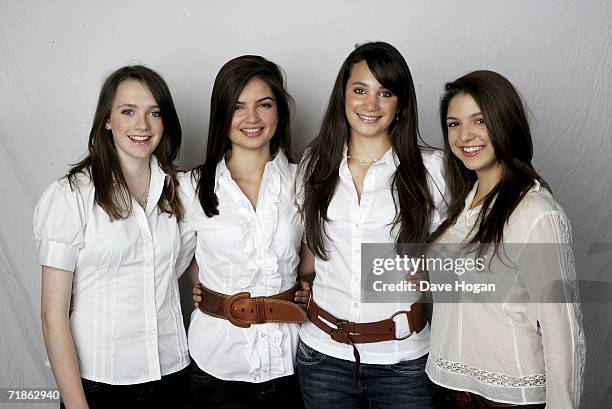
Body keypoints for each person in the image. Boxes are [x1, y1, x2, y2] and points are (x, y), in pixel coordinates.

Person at [296, 41, 447, 409]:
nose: (370, 104)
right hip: (322, 359)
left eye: (385, 93)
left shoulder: (434, 172)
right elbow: (309, 255)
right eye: (360, 90)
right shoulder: (313, 164)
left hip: (404, 362)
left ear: (401, 104)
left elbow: (464, 254)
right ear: (343, 95)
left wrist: (434, 270)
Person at [425, 70, 585, 408]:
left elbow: (562, 330)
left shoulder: (535, 211)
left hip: (506, 399)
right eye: (454, 124)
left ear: (505, 121)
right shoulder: (461, 207)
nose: (464, 135)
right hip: (448, 389)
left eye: (478, 120)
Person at [33, 66, 189, 409]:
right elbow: (52, 316)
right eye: (128, 111)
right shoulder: (70, 196)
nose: (142, 125)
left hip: (173, 373)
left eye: (154, 112)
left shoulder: (180, 192)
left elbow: (183, 269)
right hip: (100, 383)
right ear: (107, 120)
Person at [177, 55, 306, 409]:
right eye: (238, 107)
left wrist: (311, 288)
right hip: (218, 364)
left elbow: (322, 255)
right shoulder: (189, 187)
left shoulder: (304, 180)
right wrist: (205, 284)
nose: (252, 119)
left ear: (278, 112)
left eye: (263, 105)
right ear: (222, 115)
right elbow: (167, 259)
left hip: (291, 362)